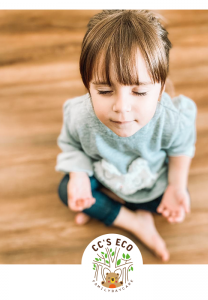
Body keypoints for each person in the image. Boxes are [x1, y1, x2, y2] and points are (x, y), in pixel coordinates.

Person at [55, 10, 197, 262]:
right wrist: (78, 176)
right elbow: (71, 145)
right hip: (104, 175)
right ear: (88, 85)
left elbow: (181, 149)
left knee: (172, 203)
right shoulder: (79, 115)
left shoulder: (171, 119)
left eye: (140, 92)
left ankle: (108, 208)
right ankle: (134, 221)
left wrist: (176, 186)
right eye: (105, 90)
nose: (122, 107)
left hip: (149, 181)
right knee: (67, 190)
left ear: (161, 88)